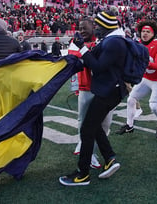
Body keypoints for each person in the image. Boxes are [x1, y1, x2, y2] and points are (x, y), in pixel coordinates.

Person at [59, 11, 128, 186]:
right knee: (93, 125)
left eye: (98, 26)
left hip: (109, 91)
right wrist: (82, 50)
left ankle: (82, 175)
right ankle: (110, 158)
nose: (96, 29)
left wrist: (82, 48)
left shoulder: (114, 42)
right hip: (110, 90)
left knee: (87, 129)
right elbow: (92, 58)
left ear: (105, 27)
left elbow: (97, 67)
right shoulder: (112, 40)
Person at [70, 18, 117, 169]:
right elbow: (75, 59)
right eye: (80, 28)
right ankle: (89, 154)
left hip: (104, 89)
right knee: (84, 121)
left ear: (93, 27)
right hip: (86, 87)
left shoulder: (103, 41)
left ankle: (93, 150)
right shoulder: (75, 42)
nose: (82, 31)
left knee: (105, 124)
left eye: (85, 28)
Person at [116, 20, 157, 138]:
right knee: (130, 100)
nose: (145, 33)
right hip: (145, 78)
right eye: (143, 31)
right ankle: (129, 125)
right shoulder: (138, 44)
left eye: (148, 31)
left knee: (153, 105)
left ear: (153, 34)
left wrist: (143, 62)